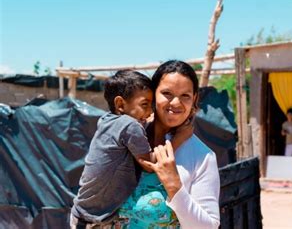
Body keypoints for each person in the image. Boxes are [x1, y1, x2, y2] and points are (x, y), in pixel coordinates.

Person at [70, 70, 191, 228]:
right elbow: (149, 165)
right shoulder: (130, 125)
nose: (150, 112)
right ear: (120, 104)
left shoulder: (107, 120)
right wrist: (179, 138)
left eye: (151, 105)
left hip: (81, 213)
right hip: (94, 221)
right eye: (144, 105)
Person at [119, 60, 220, 229]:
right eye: (167, 93)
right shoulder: (125, 139)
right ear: (152, 95)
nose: (175, 103)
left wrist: (173, 184)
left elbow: (208, 226)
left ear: (194, 99)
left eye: (185, 96)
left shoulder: (202, 156)